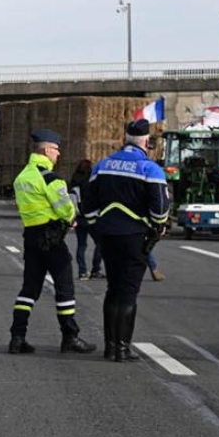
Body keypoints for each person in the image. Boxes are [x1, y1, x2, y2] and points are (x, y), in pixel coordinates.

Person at [82, 119, 170, 362]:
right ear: (145, 142)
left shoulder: (102, 165)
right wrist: (158, 226)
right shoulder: (150, 169)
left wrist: (96, 226)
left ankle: (109, 346)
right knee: (128, 293)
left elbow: (88, 203)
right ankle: (122, 349)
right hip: (135, 237)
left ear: (126, 139)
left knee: (113, 289)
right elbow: (160, 208)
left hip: (107, 235)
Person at [8, 130, 96, 355]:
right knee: (65, 287)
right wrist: (71, 218)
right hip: (52, 238)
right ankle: (70, 337)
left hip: (31, 237)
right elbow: (65, 208)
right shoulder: (50, 177)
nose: (59, 154)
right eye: (56, 149)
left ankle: (17, 337)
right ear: (47, 150)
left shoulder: (21, 177)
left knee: (29, 289)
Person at [69, 159, 104, 280]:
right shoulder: (92, 180)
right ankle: (96, 269)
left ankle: (82, 271)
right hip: (92, 216)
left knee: (81, 245)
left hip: (79, 217)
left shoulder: (74, 181)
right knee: (100, 243)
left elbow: (72, 199)